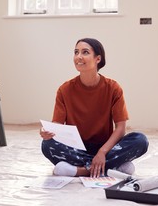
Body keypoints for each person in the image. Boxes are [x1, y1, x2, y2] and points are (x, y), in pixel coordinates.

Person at [40, 38, 149, 178]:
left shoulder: (113, 88)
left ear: (98, 59)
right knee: (47, 144)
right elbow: (57, 126)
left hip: (106, 147)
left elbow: (121, 128)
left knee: (140, 140)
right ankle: (112, 167)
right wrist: (47, 131)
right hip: (76, 148)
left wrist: (102, 152)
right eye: (76, 52)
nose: (79, 56)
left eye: (85, 52)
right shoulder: (64, 89)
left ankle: (80, 171)